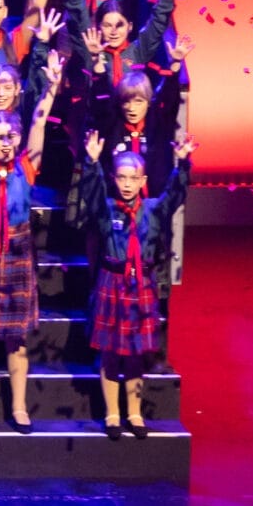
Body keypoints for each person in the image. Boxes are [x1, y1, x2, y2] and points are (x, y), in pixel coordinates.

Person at [0, 53, 66, 434]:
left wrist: (51, 87)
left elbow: (38, 124)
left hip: (18, 249)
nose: (6, 143)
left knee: (16, 336)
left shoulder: (26, 165)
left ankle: (19, 407)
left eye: (11, 137)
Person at [81, 128, 192, 438]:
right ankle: (113, 413)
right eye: (121, 178)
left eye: (133, 179)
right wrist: (91, 164)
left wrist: (182, 164)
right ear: (114, 178)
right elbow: (91, 194)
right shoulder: (107, 210)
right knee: (110, 352)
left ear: (143, 182)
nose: (127, 184)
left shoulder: (153, 210)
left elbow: (176, 195)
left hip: (139, 286)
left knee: (135, 355)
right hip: (111, 283)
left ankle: (134, 412)